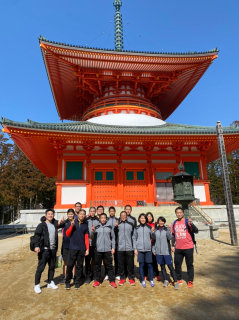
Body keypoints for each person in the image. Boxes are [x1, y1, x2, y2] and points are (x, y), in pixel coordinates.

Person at [33, 209, 62, 294]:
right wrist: (36, 246)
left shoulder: (54, 224)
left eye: (52, 214)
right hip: (44, 250)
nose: (50, 215)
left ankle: (50, 282)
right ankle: (37, 285)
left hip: (53, 249)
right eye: (49, 214)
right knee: (41, 268)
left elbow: (62, 224)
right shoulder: (41, 225)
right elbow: (36, 236)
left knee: (52, 267)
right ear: (46, 215)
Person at [171, 207, 198, 288]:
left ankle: (190, 280)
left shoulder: (187, 221)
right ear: (176, 214)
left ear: (183, 213)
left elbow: (196, 231)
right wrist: (172, 245)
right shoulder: (174, 223)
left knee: (189, 265)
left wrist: (191, 224)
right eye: (177, 213)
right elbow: (173, 235)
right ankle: (178, 278)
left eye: (180, 212)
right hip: (178, 248)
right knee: (177, 264)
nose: (179, 214)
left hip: (188, 247)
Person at [65, 209, 89, 290]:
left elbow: (86, 238)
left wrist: (87, 249)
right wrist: (72, 225)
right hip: (72, 248)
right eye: (80, 214)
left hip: (81, 249)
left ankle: (77, 282)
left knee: (79, 266)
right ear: (77, 214)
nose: (82, 215)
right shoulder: (71, 223)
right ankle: (67, 282)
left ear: (85, 216)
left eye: (83, 214)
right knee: (70, 265)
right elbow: (67, 234)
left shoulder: (86, 224)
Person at [152, 216, 179, 290]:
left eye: (162, 221)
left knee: (170, 267)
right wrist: (154, 250)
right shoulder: (156, 230)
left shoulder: (166, 229)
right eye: (160, 221)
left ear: (164, 222)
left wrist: (169, 229)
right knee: (162, 267)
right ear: (158, 222)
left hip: (166, 252)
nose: (161, 222)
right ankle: (166, 280)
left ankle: (175, 282)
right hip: (158, 252)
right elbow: (154, 241)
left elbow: (170, 237)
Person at [92, 213, 117, 288]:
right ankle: (97, 280)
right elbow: (93, 238)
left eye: (104, 218)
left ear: (106, 219)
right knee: (97, 266)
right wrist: (93, 231)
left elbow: (113, 238)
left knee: (109, 266)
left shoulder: (110, 227)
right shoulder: (96, 227)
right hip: (98, 250)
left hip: (107, 250)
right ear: (99, 219)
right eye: (101, 218)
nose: (103, 219)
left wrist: (113, 248)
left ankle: (112, 281)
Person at [116, 211, 136, 286]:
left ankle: (131, 278)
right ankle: (122, 278)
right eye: (122, 215)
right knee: (121, 264)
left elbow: (133, 237)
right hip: (120, 248)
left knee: (130, 264)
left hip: (129, 247)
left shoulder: (131, 224)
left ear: (127, 216)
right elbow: (115, 235)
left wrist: (133, 247)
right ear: (120, 217)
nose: (123, 217)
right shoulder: (118, 225)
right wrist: (115, 227)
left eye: (124, 215)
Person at [134, 213, 154, 288]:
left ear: (146, 219)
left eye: (144, 218)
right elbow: (134, 238)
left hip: (148, 249)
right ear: (139, 219)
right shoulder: (136, 228)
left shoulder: (149, 227)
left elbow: (153, 237)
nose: (142, 219)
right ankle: (142, 280)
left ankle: (151, 279)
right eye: (141, 218)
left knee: (149, 265)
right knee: (141, 265)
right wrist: (135, 248)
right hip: (140, 250)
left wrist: (152, 232)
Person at [60, 208, 75, 284]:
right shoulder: (64, 222)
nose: (70, 215)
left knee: (73, 262)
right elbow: (58, 226)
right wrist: (60, 222)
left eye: (72, 214)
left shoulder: (76, 222)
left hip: (74, 245)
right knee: (65, 262)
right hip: (65, 244)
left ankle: (73, 276)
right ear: (67, 215)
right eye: (69, 214)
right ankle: (65, 277)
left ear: (74, 215)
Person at [85, 207, 100, 283]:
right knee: (87, 261)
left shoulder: (98, 220)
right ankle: (88, 276)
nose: (92, 212)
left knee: (95, 261)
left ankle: (94, 275)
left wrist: (95, 231)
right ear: (89, 212)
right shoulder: (86, 220)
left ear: (96, 212)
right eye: (91, 211)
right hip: (88, 244)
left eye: (94, 211)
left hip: (95, 244)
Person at [144, 212, 160, 282]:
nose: (149, 218)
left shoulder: (155, 225)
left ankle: (156, 274)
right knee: (146, 262)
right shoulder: (144, 225)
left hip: (153, 245)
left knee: (154, 261)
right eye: (148, 216)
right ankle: (145, 275)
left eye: (150, 216)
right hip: (146, 246)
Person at [105, 206, 119, 280]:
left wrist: (117, 227)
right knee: (108, 259)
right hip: (108, 242)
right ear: (109, 212)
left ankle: (117, 274)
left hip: (116, 242)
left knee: (117, 259)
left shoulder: (118, 219)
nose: (112, 212)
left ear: (115, 212)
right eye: (110, 211)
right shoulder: (106, 220)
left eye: (113, 211)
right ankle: (107, 273)